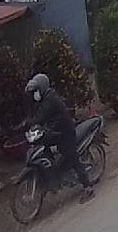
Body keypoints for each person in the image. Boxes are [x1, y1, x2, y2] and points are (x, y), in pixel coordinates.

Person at [23, 73, 95, 202]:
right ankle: (55, 175)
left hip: (65, 133)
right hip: (56, 131)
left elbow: (41, 117)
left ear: (42, 87)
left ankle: (88, 188)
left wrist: (27, 123)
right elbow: (37, 115)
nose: (34, 94)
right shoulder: (44, 99)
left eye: (36, 91)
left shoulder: (50, 99)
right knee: (44, 147)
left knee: (73, 158)